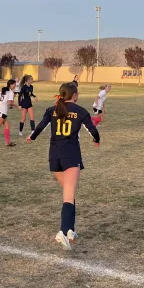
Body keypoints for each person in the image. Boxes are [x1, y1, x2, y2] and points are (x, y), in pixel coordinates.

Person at [26, 82, 100, 250]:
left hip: (54, 157)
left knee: (69, 192)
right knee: (68, 196)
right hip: (71, 155)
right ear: (74, 96)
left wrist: (32, 137)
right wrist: (97, 141)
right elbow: (93, 130)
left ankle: (70, 231)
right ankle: (63, 231)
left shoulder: (52, 110)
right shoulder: (80, 111)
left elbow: (40, 127)